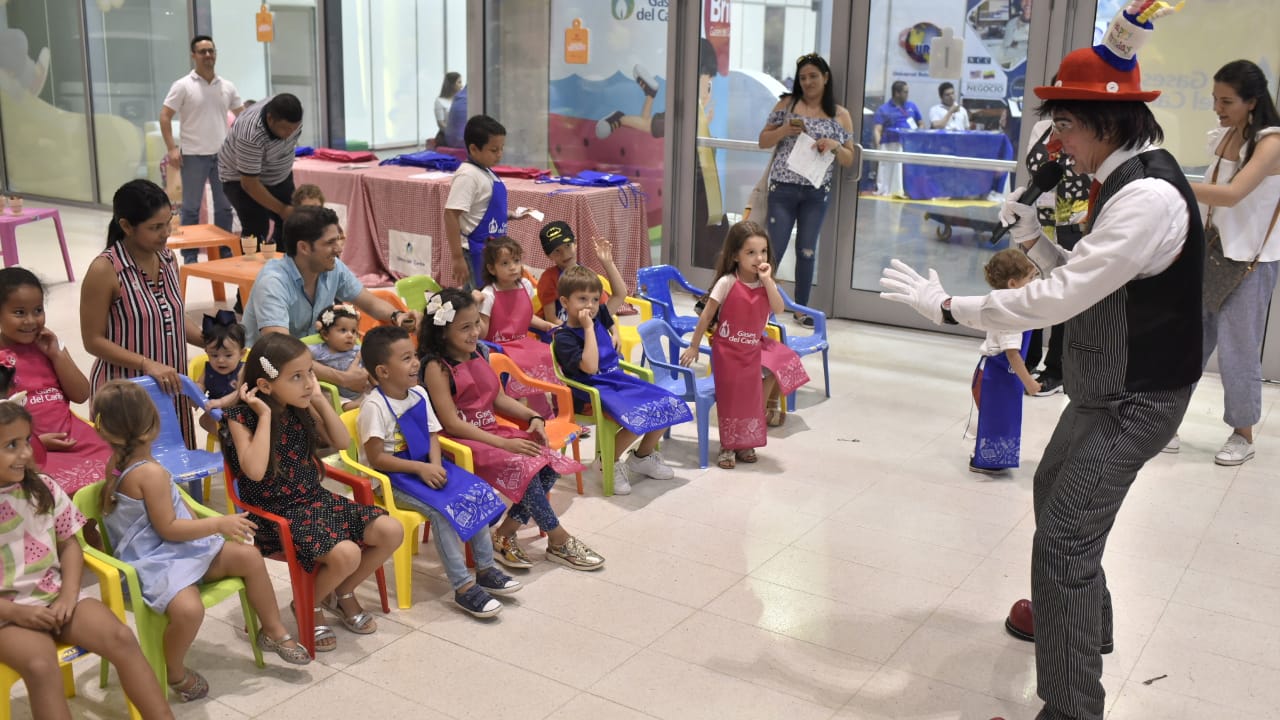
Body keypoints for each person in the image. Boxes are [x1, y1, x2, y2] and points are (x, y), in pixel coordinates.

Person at [879, 8, 1199, 719]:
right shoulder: (1121, 182)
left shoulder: (1146, 196)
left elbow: (1061, 297)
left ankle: (1071, 708)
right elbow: (1087, 271)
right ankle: (1089, 626)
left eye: (1064, 127)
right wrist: (1037, 236)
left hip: (1137, 398)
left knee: (1062, 540)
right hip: (1105, 383)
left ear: (1105, 126)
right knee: (1055, 495)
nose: (1056, 142)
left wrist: (950, 306)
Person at [94, 381, 310, 702]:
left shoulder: (125, 465)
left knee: (248, 558)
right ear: (154, 424)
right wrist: (218, 522)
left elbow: (172, 514)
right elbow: (168, 527)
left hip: (176, 552)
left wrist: (210, 530)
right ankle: (174, 671)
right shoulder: (148, 473)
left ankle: (273, 631)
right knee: (189, 610)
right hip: (157, 562)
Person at [222, 333, 402, 652]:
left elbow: (342, 442)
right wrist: (264, 416)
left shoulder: (300, 405)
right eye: (297, 377)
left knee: (391, 529)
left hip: (314, 500)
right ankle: (309, 604)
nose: (308, 383)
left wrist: (319, 399)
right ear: (265, 386)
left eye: (310, 373)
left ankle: (341, 592)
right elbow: (254, 471)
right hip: (275, 516)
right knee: (347, 553)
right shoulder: (241, 417)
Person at [0, 398, 176, 720]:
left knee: (122, 638)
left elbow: (69, 545)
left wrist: (68, 595)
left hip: (56, 597)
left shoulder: (44, 488)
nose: (26, 453)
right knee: (42, 666)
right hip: (6, 616)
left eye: (27, 440)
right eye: (11, 445)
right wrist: (14, 611)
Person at [418, 289, 601, 570]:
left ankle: (503, 535)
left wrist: (533, 417)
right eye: (464, 328)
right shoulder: (435, 367)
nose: (474, 333)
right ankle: (558, 538)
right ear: (443, 332)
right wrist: (504, 445)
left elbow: (499, 399)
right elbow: (452, 424)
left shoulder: (480, 352)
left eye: (476, 324)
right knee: (523, 466)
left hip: (491, 432)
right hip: (459, 443)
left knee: (548, 463)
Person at [356, 326, 519, 618]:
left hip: (425, 464)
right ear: (382, 371)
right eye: (406, 359)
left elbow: (433, 434)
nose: (416, 363)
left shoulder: (418, 392)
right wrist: (421, 468)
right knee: (442, 513)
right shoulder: (374, 407)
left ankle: (485, 569)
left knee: (474, 493)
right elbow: (377, 458)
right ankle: (463, 587)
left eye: (414, 355)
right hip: (393, 478)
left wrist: (434, 464)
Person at [1170, 59, 1280, 465]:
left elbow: (1233, 194)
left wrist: (1172, 181)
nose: (1218, 107)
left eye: (1227, 100)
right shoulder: (1227, 134)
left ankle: (1243, 434)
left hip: (1252, 261)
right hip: (1212, 253)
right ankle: (1166, 422)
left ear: (1252, 101)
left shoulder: (1272, 142)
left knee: (1238, 351)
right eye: (1215, 99)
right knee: (1188, 344)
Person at [240, 205, 420, 397]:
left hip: (313, 363)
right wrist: (343, 378)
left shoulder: (333, 268)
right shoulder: (273, 283)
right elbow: (280, 352)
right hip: (270, 372)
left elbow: (371, 303)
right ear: (304, 248)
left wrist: (398, 316)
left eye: (339, 240)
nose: (339, 249)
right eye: (330, 243)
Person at [81, 179, 204, 450]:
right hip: (126, 392)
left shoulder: (169, 260)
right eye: (155, 227)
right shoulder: (106, 270)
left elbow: (171, 315)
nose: (166, 233)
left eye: (168, 223)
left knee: (170, 475)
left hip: (170, 385)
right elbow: (92, 340)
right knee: (132, 475)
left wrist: (211, 340)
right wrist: (146, 363)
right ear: (126, 226)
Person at [679, 221, 810, 469]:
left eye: (763, 252)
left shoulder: (765, 284)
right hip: (726, 352)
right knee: (730, 398)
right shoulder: (727, 282)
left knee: (750, 397)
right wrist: (694, 346)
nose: (758, 257)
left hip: (751, 350)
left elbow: (779, 308)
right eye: (750, 252)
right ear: (735, 255)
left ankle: (746, 443)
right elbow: (706, 316)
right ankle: (728, 446)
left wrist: (768, 280)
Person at [552, 267, 692, 495]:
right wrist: (588, 329)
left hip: (617, 381)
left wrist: (607, 264)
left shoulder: (598, 316)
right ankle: (607, 462)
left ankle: (642, 457)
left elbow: (620, 293)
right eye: (582, 299)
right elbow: (590, 367)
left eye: (595, 299)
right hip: (592, 391)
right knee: (640, 415)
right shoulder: (564, 337)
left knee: (669, 403)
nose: (590, 305)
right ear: (565, 302)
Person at [757, 53, 855, 323]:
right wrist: (783, 131)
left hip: (815, 192)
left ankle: (801, 309)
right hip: (782, 188)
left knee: (807, 249)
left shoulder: (841, 115)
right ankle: (765, 308)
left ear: (825, 78)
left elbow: (849, 159)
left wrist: (835, 146)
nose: (808, 82)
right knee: (773, 249)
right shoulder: (786, 104)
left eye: (813, 76)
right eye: (803, 77)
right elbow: (762, 140)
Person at [0, 267, 111, 496]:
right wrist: (34, 442)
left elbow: (81, 394)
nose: (31, 321)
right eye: (19, 312)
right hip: (25, 448)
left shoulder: (49, 345)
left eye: (38, 310)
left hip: (74, 438)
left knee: (116, 471)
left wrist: (57, 355)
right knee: (51, 493)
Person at [1019, 92, 1093, 397]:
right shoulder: (1041, 130)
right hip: (1041, 216)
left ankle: (1057, 369)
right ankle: (1028, 359)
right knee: (1032, 287)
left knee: (1064, 291)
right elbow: (1035, 173)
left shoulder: (1089, 132)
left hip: (1076, 218)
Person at [160, 35, 244, 264]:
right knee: (190, 209)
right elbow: (165, 115)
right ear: (193, 55)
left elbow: (243, 116)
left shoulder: (227, 86)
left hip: (223, 157)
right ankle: (189, 255)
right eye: (203, 52)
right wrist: (171, 148)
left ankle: (224, 251)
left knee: (225, 208)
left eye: (211, 51)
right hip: (193, 155)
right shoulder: (183, 85)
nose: (208, 55)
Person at [969, 249, 1040, 476]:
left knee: (1001, 418)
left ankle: (993, 457)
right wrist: (1029, 382)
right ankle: (985, 460)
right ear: (1012, 284)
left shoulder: (1007, 304)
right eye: (1030, 279)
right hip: (995, 377)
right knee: (996, 419)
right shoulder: (1009, 315)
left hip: (998, 375)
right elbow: (1012, 354)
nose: (1033, 283)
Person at [443, 115, 531, 288]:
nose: (499, 154)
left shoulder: (487, 172)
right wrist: (457, 257)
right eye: (494, 150)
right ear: (474, 149)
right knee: (478, 301)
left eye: (502, 148)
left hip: (493, 251)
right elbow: (450, 215)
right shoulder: (467, 175)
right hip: (474, 251)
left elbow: (481, 211)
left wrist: (513, 215)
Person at [478, 236, 563, 402]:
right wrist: (473, 307)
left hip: (522, 342)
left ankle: (554, 405)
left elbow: (526, 316)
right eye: (505, 263)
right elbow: (483, 333)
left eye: (516, 261)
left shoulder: (526, 285)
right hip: (499, 348)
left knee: (552, 354)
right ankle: (521, 407)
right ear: (491, 269)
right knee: (521, 366)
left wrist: (547, 325)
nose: (513, 267)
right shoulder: (488, 294)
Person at [218, 93, 303, 252]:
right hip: (239, 178)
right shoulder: (250, 132)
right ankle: (251, 273)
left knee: (292, 224)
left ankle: (280, 268)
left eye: (293, 129)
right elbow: (249, 184)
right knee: (256, 227)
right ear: (270, 119)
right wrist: (282, 209)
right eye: (285, 129)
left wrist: (286, 211)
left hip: (279, 174)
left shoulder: (293, 118)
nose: (289, 134)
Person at [536, 220, 610, 324]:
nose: (565, 254)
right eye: (557, 251)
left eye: (567, 246)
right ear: (548, 255)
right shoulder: (549, 278)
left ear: (575, 243)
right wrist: (573, 333)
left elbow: (604, 309)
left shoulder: (588, 275)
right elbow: (551, 319)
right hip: (560, 331)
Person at [194, 309, 245, 435]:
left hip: (239, 409)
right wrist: (196, 395)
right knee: (204, 420)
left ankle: (233, 438)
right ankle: (224, 438)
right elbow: (201, 384)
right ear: (207, 352)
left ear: (241, 354)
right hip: (215, 409)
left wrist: (221, 402)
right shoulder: (208, 370)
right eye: (214, 355)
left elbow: (239, 393)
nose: (220, 360)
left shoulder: (242, 370)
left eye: (228, 355)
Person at [309, 303, 366, 411]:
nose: (350, 335)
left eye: (353, 331)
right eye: (343, 330)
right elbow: (299, 354)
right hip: (337, 393)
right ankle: (351, 406)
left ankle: (365, 402)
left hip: (360, 390)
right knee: (326, 394)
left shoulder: (358, 350)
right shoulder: (319, 351)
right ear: (325, 334)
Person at [872, 81, 923, 198]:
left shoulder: (912, 106)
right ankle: (891, 188)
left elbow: (921, 123)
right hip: (892, 145)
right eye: (905, 92)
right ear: (897, 93)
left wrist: (918, 135)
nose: (907, 94)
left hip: (911, 145)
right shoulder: (884, 109)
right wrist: (879, 147)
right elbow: (877, 129)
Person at [996, 0, 1033, 69]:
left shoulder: (1043, 23)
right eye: (1024, 0)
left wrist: (1017, 44)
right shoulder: (1012, 23)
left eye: (1032, 0)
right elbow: (1006, 51)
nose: (1028, 3)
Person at [434, 72, 462, 146]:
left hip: (460, 134)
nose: (461, 86)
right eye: (459, 82)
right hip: (446, 135)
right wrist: (454, 133)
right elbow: (441, 123)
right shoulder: (439, 101)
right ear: (452, 85)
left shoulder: (460, 99)